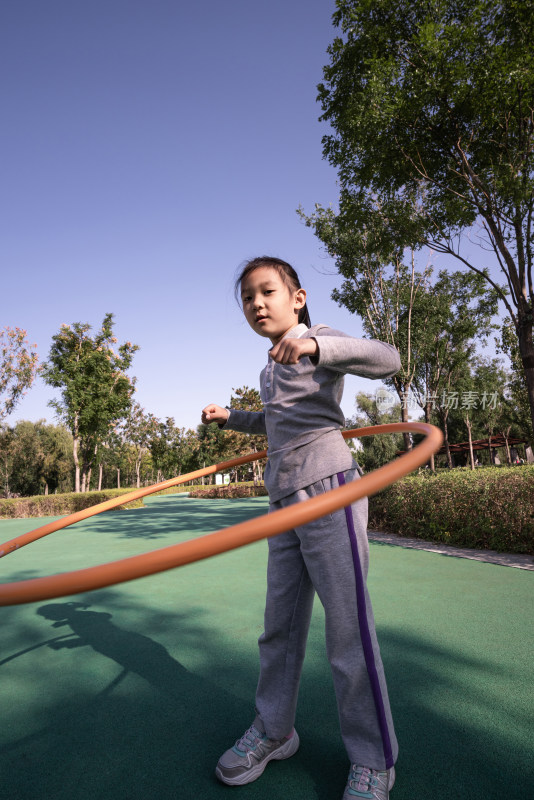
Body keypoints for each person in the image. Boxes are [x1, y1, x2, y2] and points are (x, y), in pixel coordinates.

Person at [201, 256, 401, 800]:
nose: (257, 304)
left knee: (347, 631)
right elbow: (275, 419)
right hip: (283, 500)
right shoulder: (268, 365)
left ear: (298, 297)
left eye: (267, 292)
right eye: (247, 298)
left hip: (329, 488)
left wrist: (319, 345)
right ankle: (274, 729)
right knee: (279, 626)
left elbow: (390, 358)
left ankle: (373, 759)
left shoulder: (317, 337)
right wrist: (232, 419)